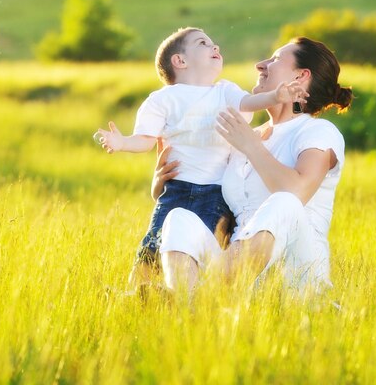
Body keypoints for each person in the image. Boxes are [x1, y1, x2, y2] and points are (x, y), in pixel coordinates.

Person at [94, 27, 308, 288]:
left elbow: (251, 103)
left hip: (216, 194)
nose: (215, 46)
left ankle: (185, 297)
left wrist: (276, 96)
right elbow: (146, 140)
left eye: (213, 42)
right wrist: (122, 142)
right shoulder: (162, 100)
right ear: (180, 61)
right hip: (176, 191)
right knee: (154, 246)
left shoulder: (224, 91)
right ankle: (131, 295)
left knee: (201, 248)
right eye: (203, 43)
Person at [156, 37, 353, 294]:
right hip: (244, 280)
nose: (260, 65)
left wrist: (251, 145)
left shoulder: (317, 131)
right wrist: (160, 184)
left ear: (301, 76)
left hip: (296, 276)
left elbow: (297, 192)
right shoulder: (244, 135)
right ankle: (189, 303)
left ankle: (199, 298)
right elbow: (210, 204)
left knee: (285, 202)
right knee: (180, 218)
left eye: (275, 59)